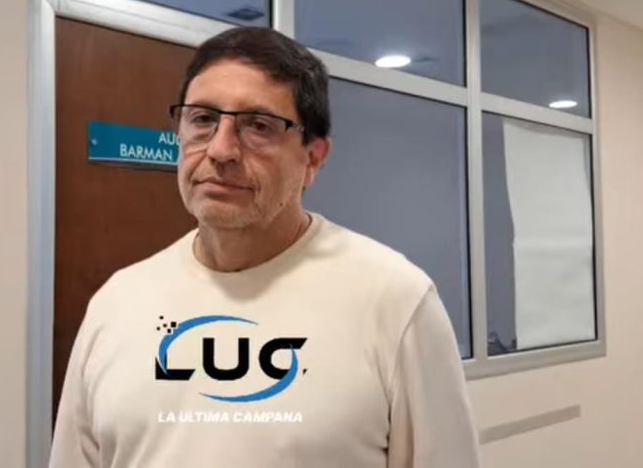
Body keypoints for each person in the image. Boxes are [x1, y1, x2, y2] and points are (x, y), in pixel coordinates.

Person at [50, 27, 480, 468]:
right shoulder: (118, 303)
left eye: (258, 125)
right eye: (203, 119)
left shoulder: (395, 301)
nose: (221, 150)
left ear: (313, 158)